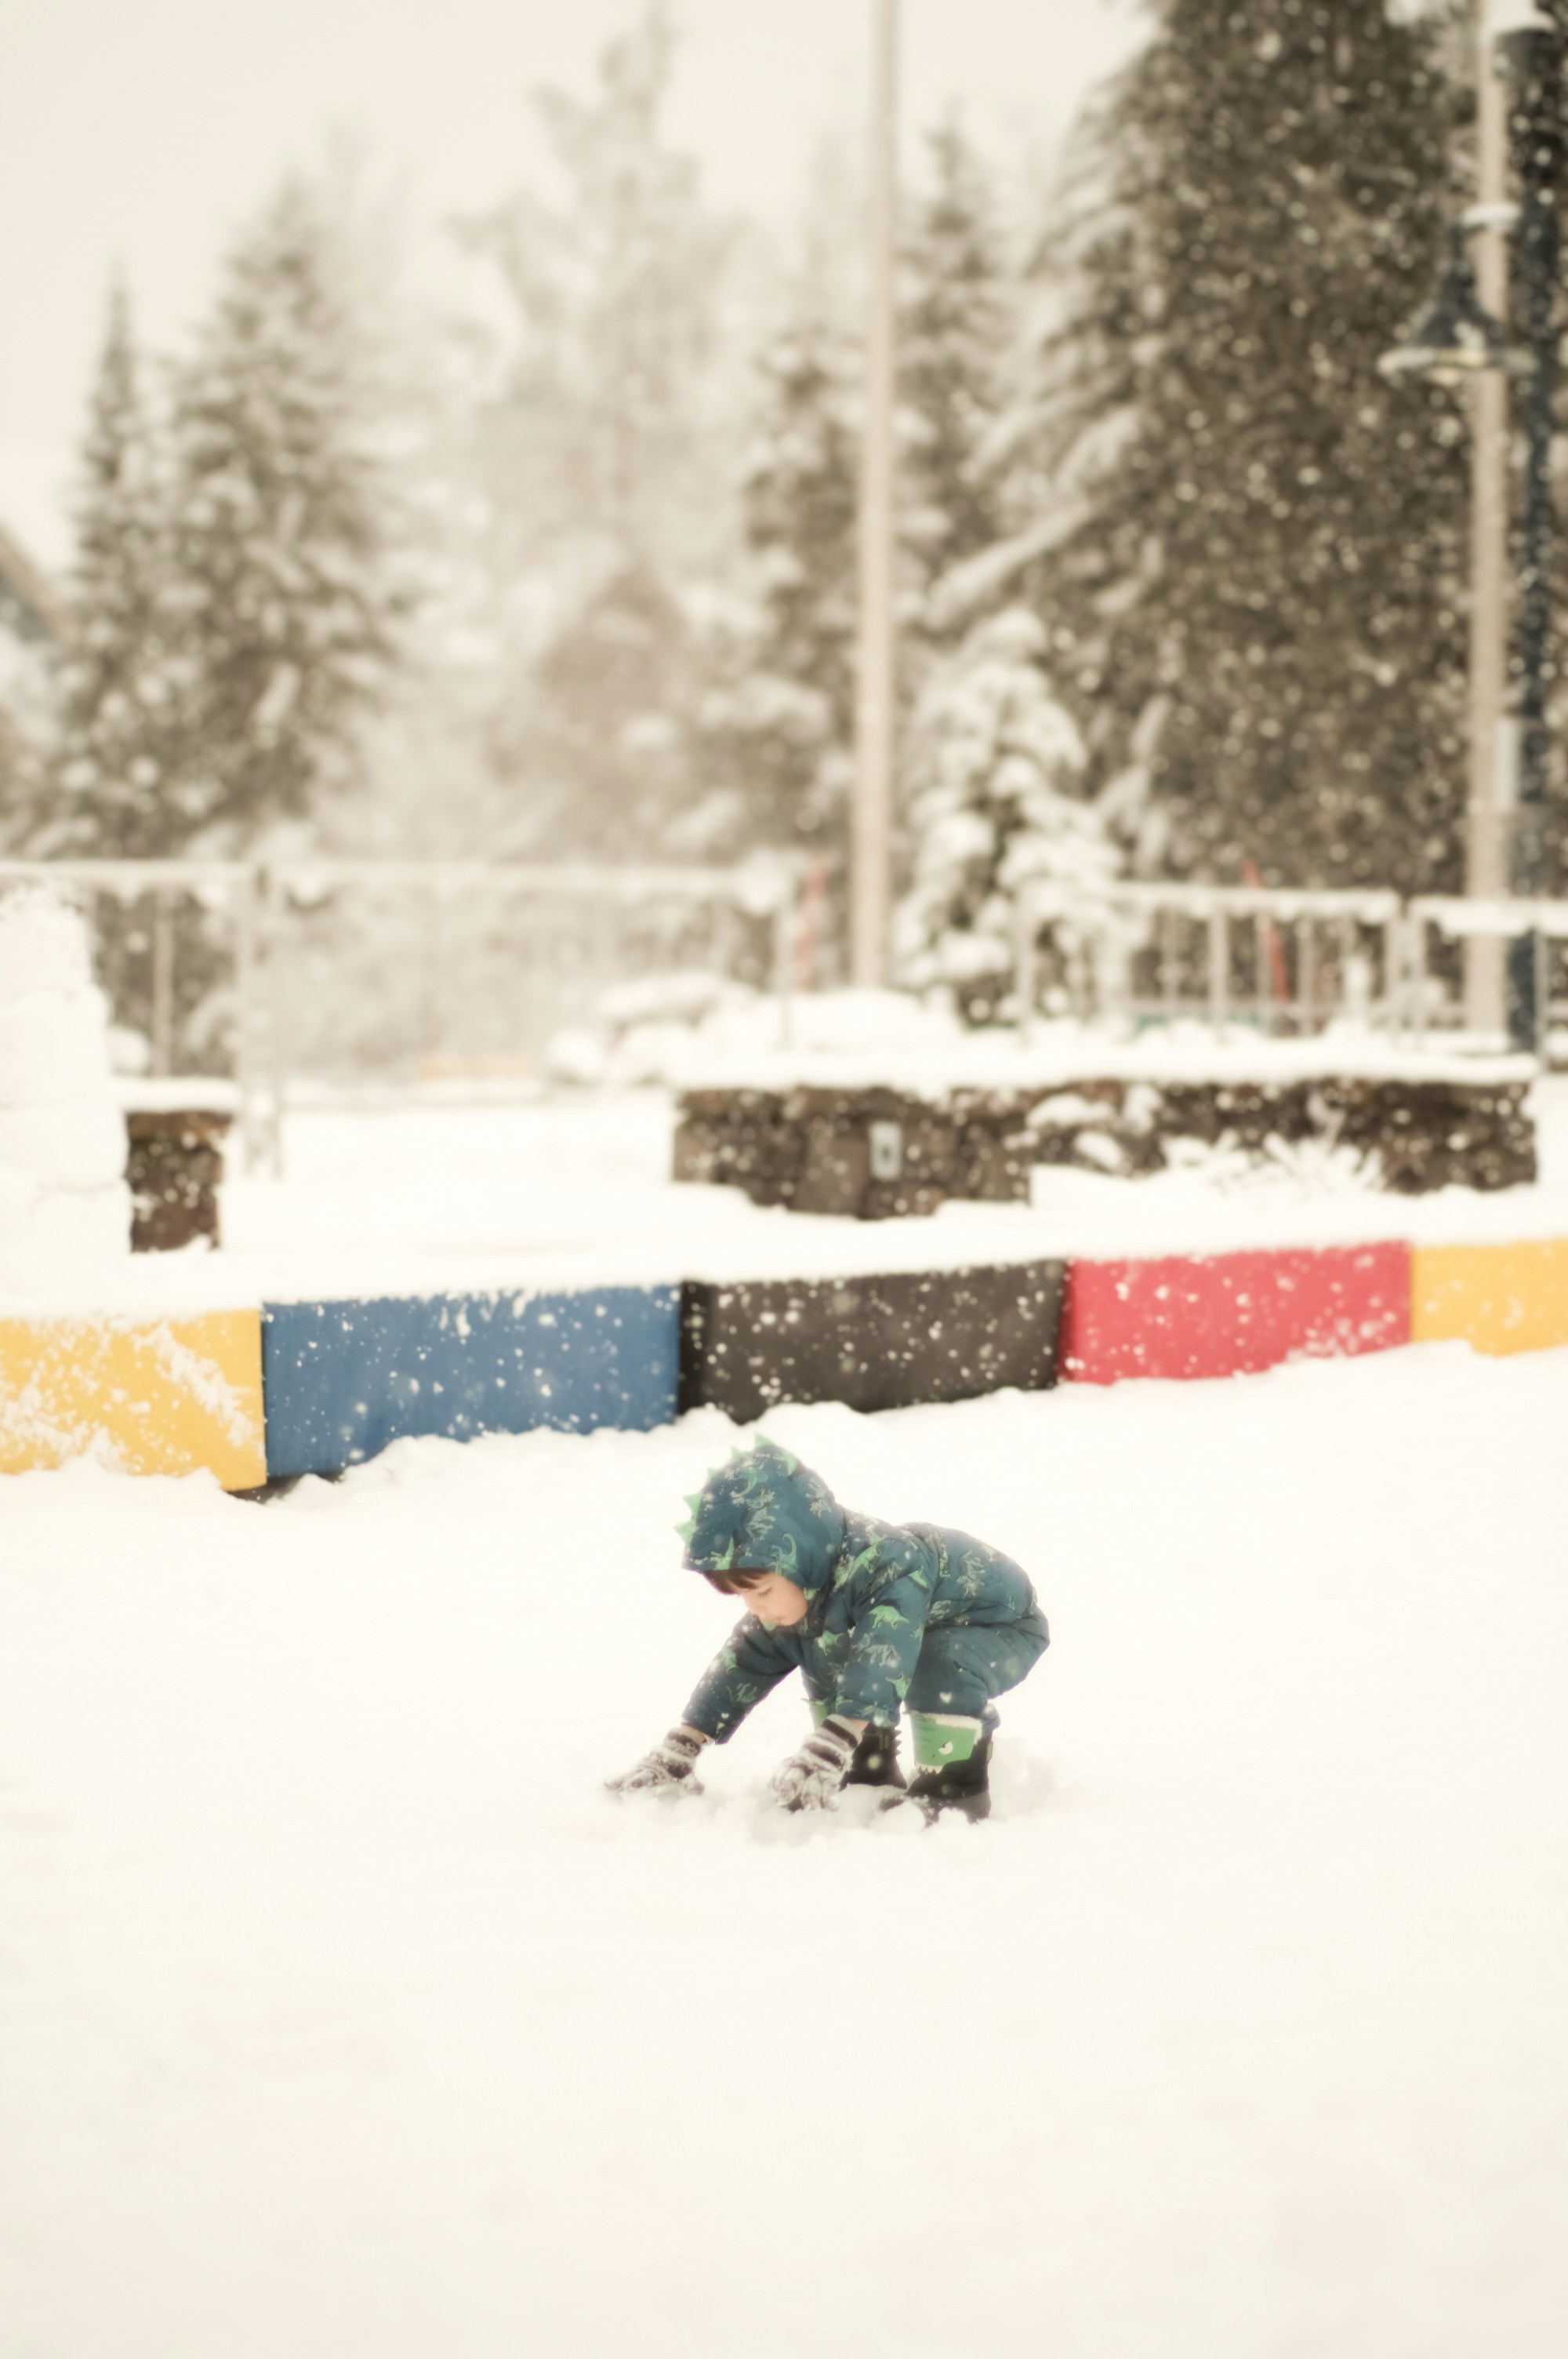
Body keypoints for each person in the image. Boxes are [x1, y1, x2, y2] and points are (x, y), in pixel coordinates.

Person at [608, 1436, 1048, 1819]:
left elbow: (885, 1650)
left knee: (932, 1662)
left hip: (996, 1626)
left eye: (761, 1590)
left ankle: (955, 1788)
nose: (755, 1608)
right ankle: (866, 1767)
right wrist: (683, 1745)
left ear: (798, 1558)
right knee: (822, 1648)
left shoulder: (889, 1565)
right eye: (743, 1596)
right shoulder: (799, 1591)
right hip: (914, 1632)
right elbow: (741, 1666)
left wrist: (831, 1739)